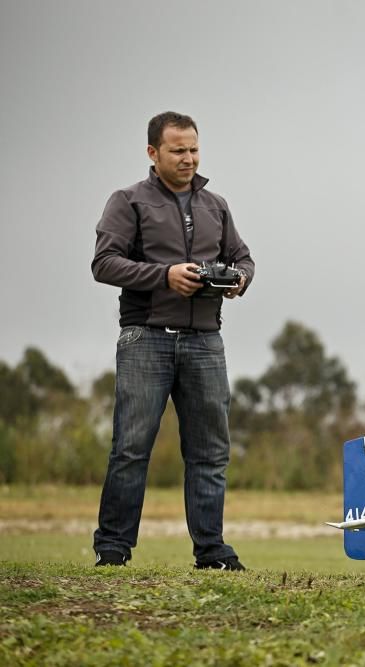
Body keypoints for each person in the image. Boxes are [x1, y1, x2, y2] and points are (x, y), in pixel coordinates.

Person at [91, 111, 255, 570]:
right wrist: (163, 276)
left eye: (194, 149)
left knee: (210, 452)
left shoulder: (216, 206)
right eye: (178, 150)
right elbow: (104, 263)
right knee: (131, 447)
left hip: (206, 342)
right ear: (153, 153)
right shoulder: (127, 201)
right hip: (146, 338)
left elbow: (243, 258)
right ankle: (113, 549)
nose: (188, 158)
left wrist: (239, 279)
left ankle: (212, 551)